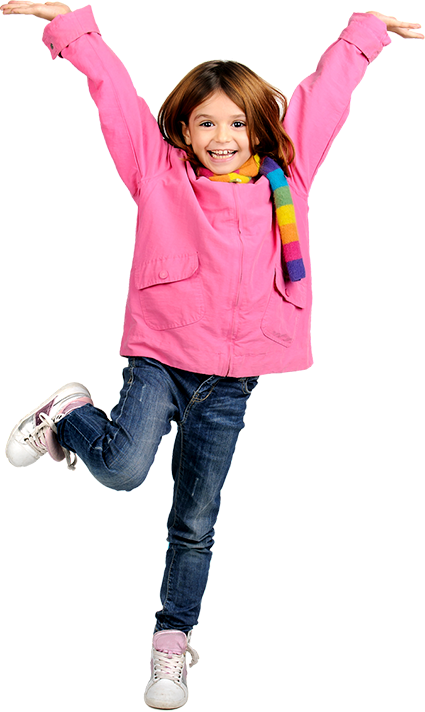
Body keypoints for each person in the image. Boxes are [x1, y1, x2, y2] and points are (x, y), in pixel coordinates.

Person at [3, 2, 423, 708]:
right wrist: (75, 29)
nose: (222, 137)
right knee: (122, 467)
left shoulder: (285, 178)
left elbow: (323, 96)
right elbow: (115, 93)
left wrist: (364, 33)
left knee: (194, 519)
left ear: (260, 129)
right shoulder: (159, 174)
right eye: (205, 122)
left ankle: (169, 651)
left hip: (233, 379)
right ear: (183, 129)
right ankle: (71, 410)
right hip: (161, 358)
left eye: (236, 123)